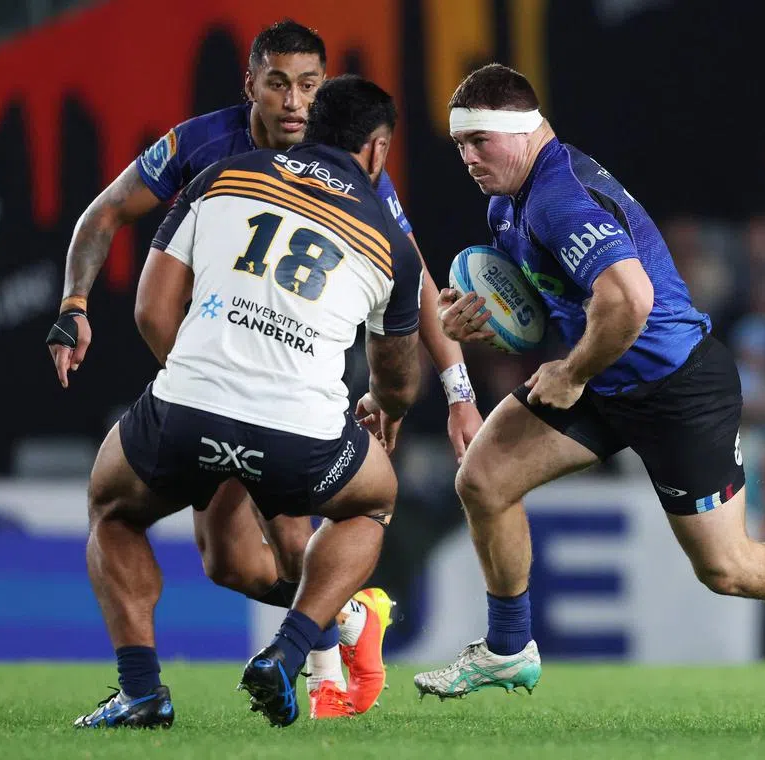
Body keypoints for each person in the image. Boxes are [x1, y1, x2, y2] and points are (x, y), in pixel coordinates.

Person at [413, 63, 765, 711]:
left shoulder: (558, 197)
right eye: (459, 144)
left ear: (525, 131)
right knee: (483, 479)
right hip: (605, 377)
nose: (466, 157)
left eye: (479, 141)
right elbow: (550, 304)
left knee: (728, 568)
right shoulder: (509, 201)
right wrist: (483, 318)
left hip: (676, 386)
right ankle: (509, 648)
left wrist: (571, 373)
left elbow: (630, 299)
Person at [45, 19, 481, 716]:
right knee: (232, 564)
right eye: (277, 83)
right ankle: (337, 624)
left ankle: (286, 671)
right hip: (246, 390)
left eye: (309, 86)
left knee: (269, 539)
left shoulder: (256, 177)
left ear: (324, 94)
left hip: (208, 393)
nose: (293, 102)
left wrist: (461, 388)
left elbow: (419, 280)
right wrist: (76, 302)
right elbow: (102, 219)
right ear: (249, 83)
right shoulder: (204, 147)